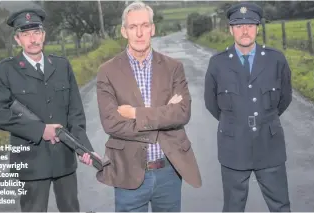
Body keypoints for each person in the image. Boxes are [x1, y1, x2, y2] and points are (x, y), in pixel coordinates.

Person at [95, 1, 202, 212]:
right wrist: (163, 117)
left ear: (152, 28)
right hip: (128, 172)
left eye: (144, 25)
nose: (139, 33)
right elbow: (112, 124)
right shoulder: (107, 71)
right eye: (133, 27)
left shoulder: (174, 68)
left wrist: (135, 113)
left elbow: (182, 113)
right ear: (124, 31)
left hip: (169, 172)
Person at [0, 8, 99, 212]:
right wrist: (40, 130)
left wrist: (84, 148)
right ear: (17, 39)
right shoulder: (5, 71)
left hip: (64, 160)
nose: (33, 39)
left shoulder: (61, 66)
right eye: (26, 34)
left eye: (36, 32)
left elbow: (75, 113)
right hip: (31, 163)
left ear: (44, 35)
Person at [204, 2, 292, 212]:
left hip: (269, 145)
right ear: (230, 29)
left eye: (251, 25)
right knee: (233, 207)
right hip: (233, 147)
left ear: (258, 28)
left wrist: (264, 117)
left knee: (281, 206)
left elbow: (285, 98)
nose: (245, 30)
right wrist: (237, 122)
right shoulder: (218, 63)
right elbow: (212, 104)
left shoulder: (275, 60)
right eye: (239, 25)